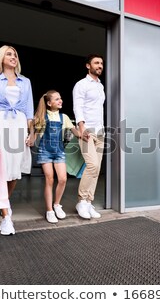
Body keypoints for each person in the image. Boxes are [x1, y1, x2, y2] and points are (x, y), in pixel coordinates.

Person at [0, 45, 34, 235]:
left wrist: (32, 132)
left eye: (15, 55)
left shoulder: (25, 82)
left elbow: (29, 109)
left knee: (14, 170)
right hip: (0, 122)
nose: (13, 57)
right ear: (1, 58)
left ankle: (3, 201)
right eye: (9, 54)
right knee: (0, 168)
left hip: (19, 123)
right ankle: (6, 217)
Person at [34, 90, 80, 223]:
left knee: (63, 179)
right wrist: (30, 138)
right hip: (45, 151)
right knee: (49, 179)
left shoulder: (64, 117)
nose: (60, 101)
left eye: (60, 98)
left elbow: (75, 132)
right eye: (56, 99)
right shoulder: (42, 116)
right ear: (49, 103)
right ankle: (49, 211)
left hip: (59, 151)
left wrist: (84, 134)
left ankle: (57, 205)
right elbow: (35, 132)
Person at [72, 54, 106, 219]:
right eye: (96, 63)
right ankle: (81, 201)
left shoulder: (100, 86)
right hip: (87, 130)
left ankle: (88, 202)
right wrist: (82, 127)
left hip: (100, 132)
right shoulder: (81, 84)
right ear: (88, 66)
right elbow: (77, 106)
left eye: (101, 63)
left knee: (97, 169)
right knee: (91, 165)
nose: (99, 65)